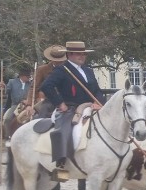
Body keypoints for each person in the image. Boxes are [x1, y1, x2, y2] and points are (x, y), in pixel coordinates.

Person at [40, 42, 105, 180]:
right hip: (70, 108)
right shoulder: (62, 70)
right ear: (69, 55)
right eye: (79, 54)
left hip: (90, 106)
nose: (82, 56)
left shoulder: (88, 71)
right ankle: (61, 163)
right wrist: (60, 102)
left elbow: (97, 91)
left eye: (84, 54)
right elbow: (46, 86)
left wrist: (98, 102)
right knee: (64, 130)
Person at [32, 45, 67, 117]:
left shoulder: (68, 69)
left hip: (67, 100)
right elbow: (34, 87)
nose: (58, 62)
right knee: (43, 113)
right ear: (51, 59)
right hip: (49, 100)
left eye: (60, 60)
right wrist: (29, 104)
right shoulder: (42, 69)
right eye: (56, 60)